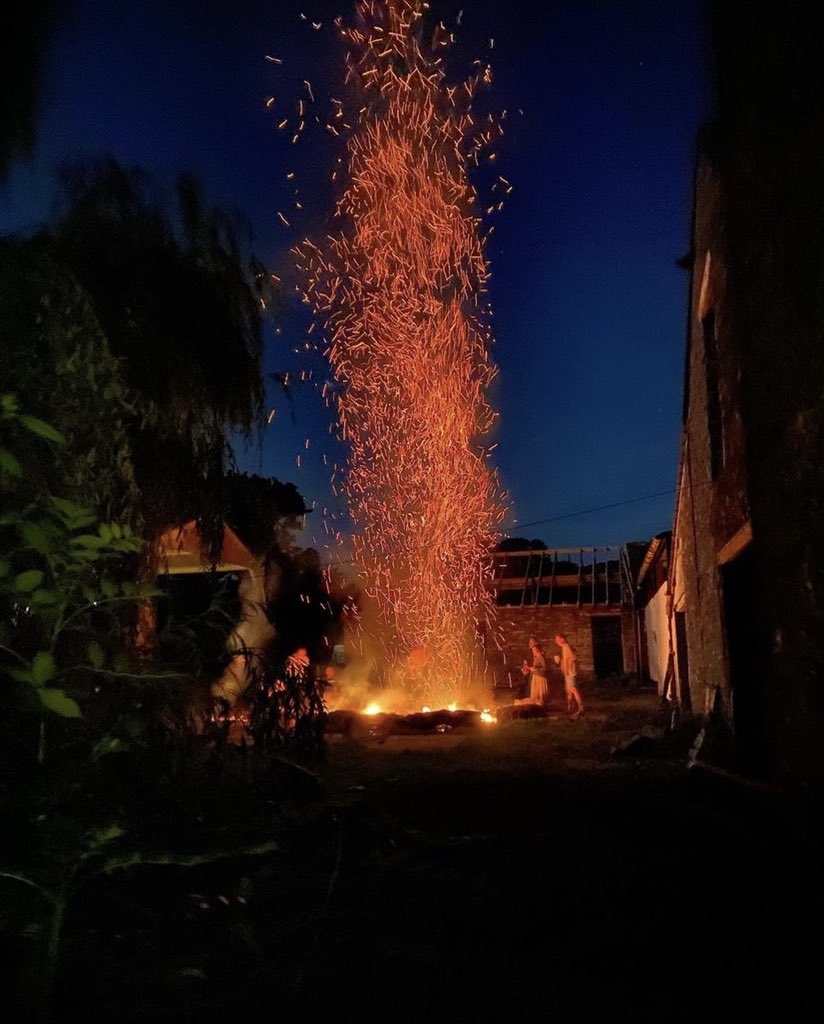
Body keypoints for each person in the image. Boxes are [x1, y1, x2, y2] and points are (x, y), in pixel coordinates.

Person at [555, 633, 584, 718]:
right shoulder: (564, 648)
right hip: (567, 674)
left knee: (574, 690)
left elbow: (573, 658)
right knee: (569, 692)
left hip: (570, 673)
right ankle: (569, 708)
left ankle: (581, 709)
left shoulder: (566, 647)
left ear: (562, 639)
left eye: (557, 639)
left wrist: (568, 669)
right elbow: (566, 659)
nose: (556, 641)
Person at [521, 636, 549, 706]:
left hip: (539, 677)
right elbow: (527, 663)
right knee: (533, 693)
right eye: (529, 642)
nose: (530, 643)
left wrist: (535, 669)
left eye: (532, 642)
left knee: (539, 694)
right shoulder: (531, 654)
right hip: (533, 676)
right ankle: (533, 706)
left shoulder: (541, 655)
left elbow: (544, 667)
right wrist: (525, 668)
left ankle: (540, 707)